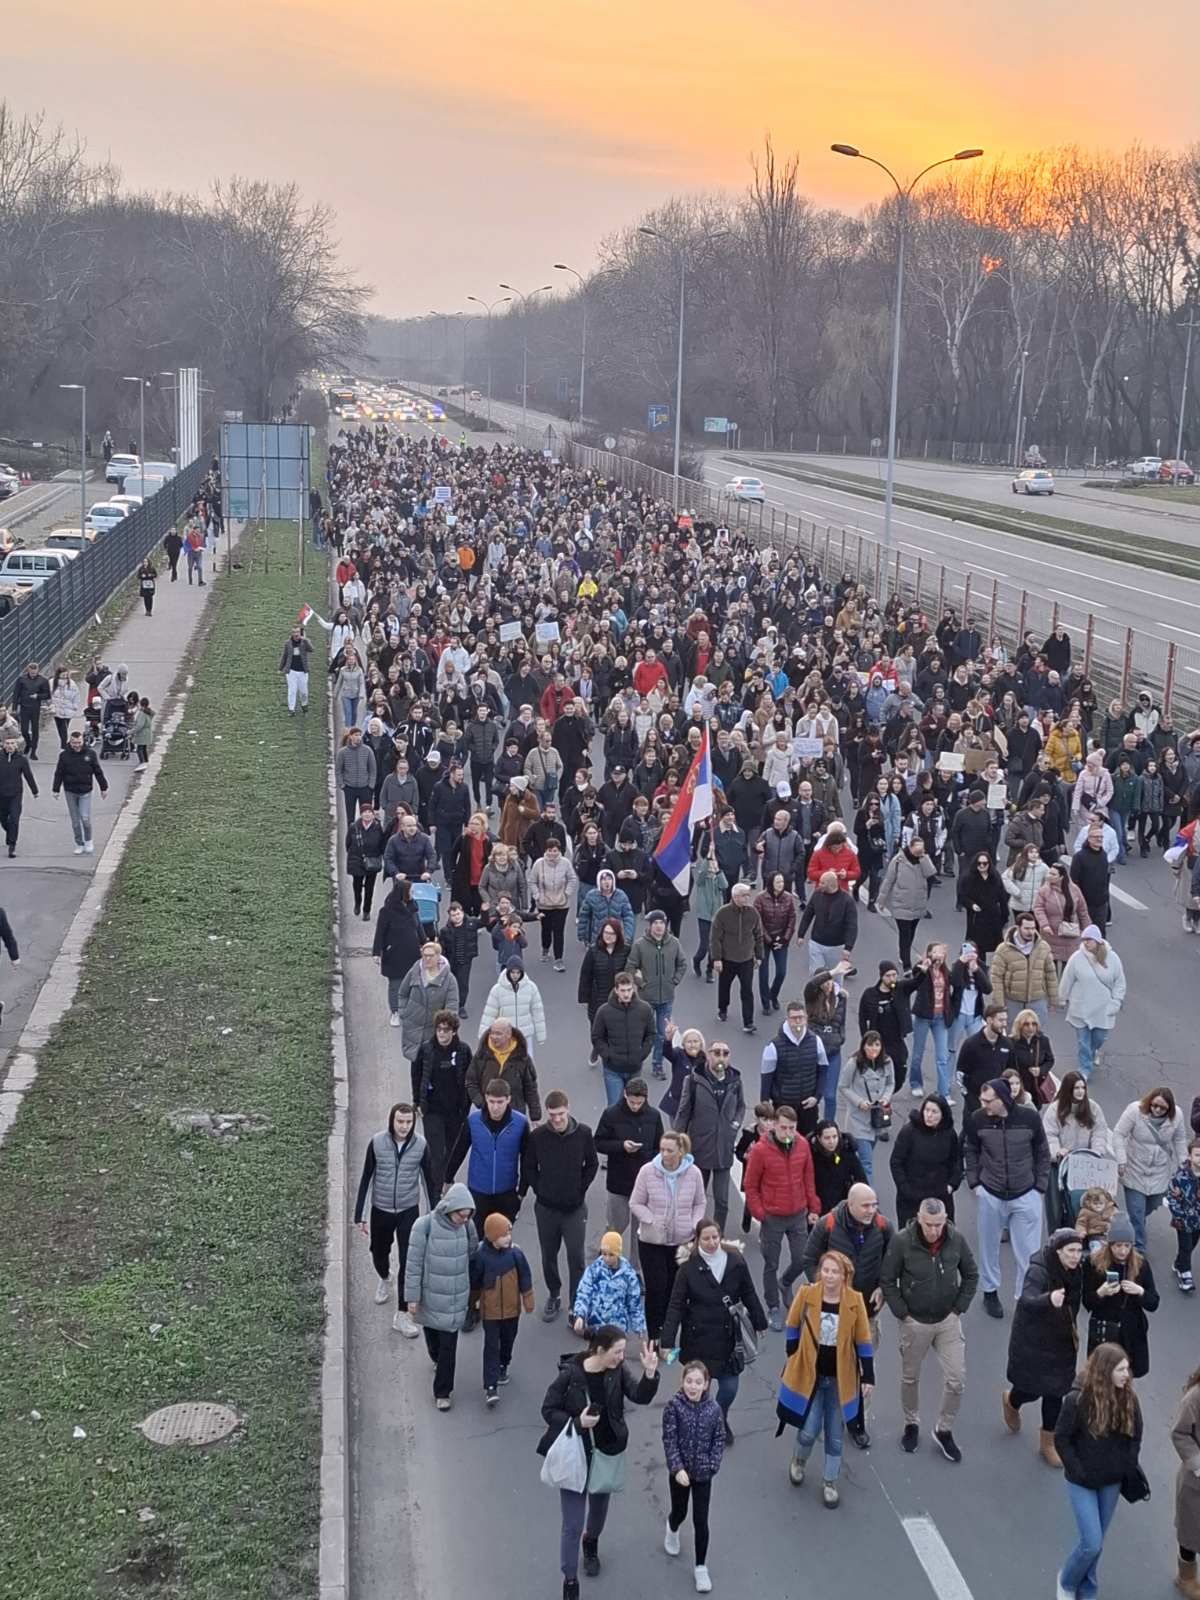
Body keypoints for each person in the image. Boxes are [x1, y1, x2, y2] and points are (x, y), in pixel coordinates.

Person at [536, 1325, 659, 1599]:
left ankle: (591, 1541)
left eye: (622, 1352)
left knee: (599, 1513)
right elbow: (548, 1409)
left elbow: (639, 1395)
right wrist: (577, 1422)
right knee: (571, 1524)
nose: (620, 1357)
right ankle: (569, 1580)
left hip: (605, 1453)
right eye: (617, 1352)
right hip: (575, 1456)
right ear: (599, 1350)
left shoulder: (616, 1372)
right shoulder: (570, 1374)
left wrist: (650, 1373)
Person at [881, 1197, 978, 1461]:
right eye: (929, 1224)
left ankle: (944, 1430)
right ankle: (911, 1423)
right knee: (910, 1378)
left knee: (956, 1379)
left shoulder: (955, 1239)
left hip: (948, 1319)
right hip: (916, 1322)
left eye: (939, 1224)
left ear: (945, 1219)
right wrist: (902, 1313)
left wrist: (959, 1308)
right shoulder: (902, 1241)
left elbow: (971, 1274)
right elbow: (888, 1278)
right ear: (919, 1219)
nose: (934, 1230)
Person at [777, 1248, 874, 1508]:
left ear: (845, 1275)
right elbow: (792, 1323)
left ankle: (829, 1481)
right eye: (826, 1271)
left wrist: (868, 1377)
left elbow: (863, 1340)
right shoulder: (807, 1294)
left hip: (840, 1380)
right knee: (808, 1431)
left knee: (835, 1434)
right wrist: (793, 1354)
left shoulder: (855, 1300)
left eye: (835, 1272)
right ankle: (799, 1460)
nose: (830, 1276)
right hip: (812, 1377)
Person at [800, 1182, 893, 1449]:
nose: (871, 1210)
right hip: (831, 1314)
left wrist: (883, 1288)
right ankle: (815, 1412)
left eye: (874, 1204)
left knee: (863, 1369)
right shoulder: (828, 1225)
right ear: (850, 1205)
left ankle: (857, 1424)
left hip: (866, 1313)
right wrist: (824, 1291)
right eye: (865, 1205)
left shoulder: (883, 1227)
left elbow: (891, 1260)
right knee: (827, 1365)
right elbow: (808, 1259)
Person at [660, 1218, 768, 1442]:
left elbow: (748, 1292)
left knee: (729, 1387)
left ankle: (717, 1418)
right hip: (698, 1339)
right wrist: (667, 1340)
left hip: (728, 1338)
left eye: (715, 1237)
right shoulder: (688, 1269)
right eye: (706, 1238)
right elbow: (676, 1305)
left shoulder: (735, 1262)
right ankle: (704, 1426)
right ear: (697, 1240)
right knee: (699, 1390)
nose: (711, 1242)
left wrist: (760, 1321)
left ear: (720, 1237)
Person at [1054, 1344, 1144, 1598]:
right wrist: (1078, 1470)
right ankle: (1067, 1582)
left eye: (1127, 1368)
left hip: (1111, 1482)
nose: (1127, 1375)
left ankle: (1088, 1590)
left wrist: (1127, 1464)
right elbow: (1062, 1438)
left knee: (1096, 1544)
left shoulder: (1129, 1398)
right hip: (1082, 1482)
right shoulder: (1078, 1400)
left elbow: (1136, 1435)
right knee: (1091, 1542)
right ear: (1106, 1371)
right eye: (1121, 1369)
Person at [965, 1075, 1050, 1318]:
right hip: (991, 1192)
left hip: (1026, 1193)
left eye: (987, 1100)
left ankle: (1025, 1297)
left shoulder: (1029, 1118)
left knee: (1029, 1252)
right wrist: (975, 1183)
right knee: (988, 1246)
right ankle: (990, 1292)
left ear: (1002, 1099)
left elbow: (1042, 1152)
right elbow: (971, 1150)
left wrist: (1039, 1187)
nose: (983, 1104)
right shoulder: (978, 1119)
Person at [1002, 1227, 1085, 1465]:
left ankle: (1048, 1442)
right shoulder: (1039, 1270)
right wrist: (1048, 1299)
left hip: (1062, 1338)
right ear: (1058, 1251)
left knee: (1057, 1391)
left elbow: (1078, 1299)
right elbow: (1026, 1299)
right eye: (1070, 1250)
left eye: (1079, 1250)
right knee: (1031, 1389)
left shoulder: (1076, 1270)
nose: (1075, 1256)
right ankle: (1012, 1401)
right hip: (1034, 1340)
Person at [353, 1102, 432, 1335]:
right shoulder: (377, 1142)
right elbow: (366, 1178)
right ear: (392, 1120)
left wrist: (433, 1216)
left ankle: (402, 1315)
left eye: (408, 1122)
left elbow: (429, 1182)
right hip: (381, 1209)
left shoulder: (421, 1145)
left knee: (408, 1262)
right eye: (400, 1121)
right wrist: (361, 1215)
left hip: (409, 1210)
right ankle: (384, 1276)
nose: (404, 1126)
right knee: (378, 1253)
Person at [522, 1089, 598, 1321]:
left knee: (576, 1256)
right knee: (549, 1255)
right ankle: (554, 1294)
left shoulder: (584, 1133)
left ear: (568, 1110)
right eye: (552, 1115)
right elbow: (528, 1167)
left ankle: (577, 1303)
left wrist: (580, 1189)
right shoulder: (538, 1137)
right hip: (546, 1208)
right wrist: (540, 1189)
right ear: (547, 1113)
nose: (556, 1119)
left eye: (561, 1114)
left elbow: (592, 1164)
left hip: (574, 1209)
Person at [744, 1102, 821, 1330]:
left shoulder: (803, 1145)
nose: (788, 1133)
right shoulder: (760, 1150)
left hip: (797, 1213)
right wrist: (760, 1213)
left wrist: (813, 1207)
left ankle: (785, 1282)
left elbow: (808, 1177)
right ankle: (773, 1307)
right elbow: (751, 1185)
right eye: (784, 1128)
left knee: (802, 1259)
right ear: (775, 1126)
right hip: (773, 1217)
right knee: (771, 1262)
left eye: (792, 1128)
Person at [402, 1183, 477, 1410]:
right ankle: (434, 1358)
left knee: (449, 1347)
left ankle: (443, 1391)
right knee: (433, 1337)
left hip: (455, 1298)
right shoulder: (423, 1226)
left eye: (467, 1216)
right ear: (449, 1208)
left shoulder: (468, 1227)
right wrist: (412, 1298)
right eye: (460, 1215)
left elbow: (473, 1253)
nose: (463, 1219)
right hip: (430, 1297)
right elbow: (413, 1265)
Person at [629, 1130, 707, 1342]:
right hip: (652, 1242)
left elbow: (700, 1202)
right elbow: (635, 1202)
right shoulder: (647, 1171)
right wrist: (651, 1219)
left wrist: (694, 1224)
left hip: (682, 1243)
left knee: (676, 1291)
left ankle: (669, 1336)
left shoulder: (694, 1174)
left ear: (681, 1151)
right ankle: (654, 1336)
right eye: (662, 1149)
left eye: (669, 1150)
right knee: (656, 1289)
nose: (664, 1154)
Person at [661, 1359, 725, 1594]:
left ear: (706, 1384)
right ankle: (672, 1527)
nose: (693, 1386)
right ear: (682, 1382)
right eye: (689, 1381)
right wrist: (677, 1468)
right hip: (681, 1474)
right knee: (680, 1511)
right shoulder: (673, 1407)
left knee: (701, 1520)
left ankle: (700, 1567)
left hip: (703, 1474)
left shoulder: (714, 1409)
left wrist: (713, 1465)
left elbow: (719, 1438)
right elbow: (669, 1439)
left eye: (698, 1382)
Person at [445, 1077, 530, 1238]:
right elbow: (459, 1150)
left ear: (508, 1099)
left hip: (507, 1193)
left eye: (500, 1102)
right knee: (476, 1240)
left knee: (502, 1241)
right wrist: (447, 1179)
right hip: (478, 1192)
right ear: (485, 1098)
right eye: (491, 1102)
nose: (495, 1107)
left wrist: (522, 1192)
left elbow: (527, 1159)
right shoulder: (473, 1121)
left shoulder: (520, 1123)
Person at [674, 1040, 745, 1230]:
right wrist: (675, 1141)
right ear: (709, 1055)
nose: (721, 1057)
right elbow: (684, 1111)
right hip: (700, 1147)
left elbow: (741, 1106)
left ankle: (716, 1236)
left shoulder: (735, 1081)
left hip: (723, 1148)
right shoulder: (694, 1080)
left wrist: (735, 1125)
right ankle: (693, 1232)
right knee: (697, 1198)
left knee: (722, 1201)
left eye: (725, 1053)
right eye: (717, 1052)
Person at [470, 1211, 535, 1404]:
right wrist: (471, 1302)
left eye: (509, 1234)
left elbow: (525, 1276)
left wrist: (527, 1298)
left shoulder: (516, 1254)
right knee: (491, 1346)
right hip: (490, 1312)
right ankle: (490, 1386)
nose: (508, 1238)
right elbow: (475, 1280)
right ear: (492, 1237)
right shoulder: (481, 1256)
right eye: (503, 1235)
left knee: (508, 1339)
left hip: (511, 1310)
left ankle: (503, 1364)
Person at [1114, 1087, 1188, 1252]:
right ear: (1149, 1102)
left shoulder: (1177, 1116)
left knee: (1154, 1203)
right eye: (1155, 1105)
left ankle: (1133, 1220)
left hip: (1159, 1171)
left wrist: (1184, 1167)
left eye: (1163, 1108)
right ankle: (1139, 1250)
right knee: (1137, 1213)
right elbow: (1119, 1134)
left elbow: (1180, 1140)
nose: (1157, 1110)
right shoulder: (1135, 1111)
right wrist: (1121, 1160)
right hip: (1134, 1168)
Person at [1082, 1212, 1158, 1374]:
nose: (1122, 1251)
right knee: (1102, 1376)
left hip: (1132, 1331)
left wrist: (1140, 1291)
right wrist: (1101, 1293)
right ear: (1109, 1245)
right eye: (1118, 1246)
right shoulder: (1094, 1264)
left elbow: (1153, 1303)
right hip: (1105, 1329)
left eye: (1127, 1246)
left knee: (1126, 1376)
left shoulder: (1141, 1265)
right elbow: (1087, 1301)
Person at [412, 1010, 472, 1192]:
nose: (442, 1034)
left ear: (454, 1031)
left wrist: (466, 1105)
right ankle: (436, 1193)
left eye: (446, 1030)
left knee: (452, 1150)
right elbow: (416, 1075)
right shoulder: (426, 1050)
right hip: (432, 1110)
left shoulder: (463, 1050)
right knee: (436, 1153)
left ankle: (447, 1179)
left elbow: (470, 1079)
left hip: (455, 1111)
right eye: (439, 1030)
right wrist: (417, 1101)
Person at [624, 908, 688, 1078]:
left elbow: (682, 964)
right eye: (656, 923)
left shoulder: (674, 943)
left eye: (662, 923)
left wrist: (674, 981)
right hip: (645, 998)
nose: (659, 926)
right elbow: (630, 967)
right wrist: (641, 983)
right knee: (641, 1032)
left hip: (666, 997)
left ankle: (657, 1065)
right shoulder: (640, 945)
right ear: (650, 925)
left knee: (661, 1034)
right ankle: (635, 1063)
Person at [1043, 1071, 1113, 1224]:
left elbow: (1099, 1131)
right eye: (1076, 1088)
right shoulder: (1055, 1109)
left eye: (1083, 1088)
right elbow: (1049, 1135)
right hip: (1061, 1162)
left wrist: (1097, 1151)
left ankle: (1089, 1228)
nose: (1080, 1091)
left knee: (1089, 1198)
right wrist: (1057, 1151)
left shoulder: (1093, 1107)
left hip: (1085, 1162)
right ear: (1068, 1089)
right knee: (1057, 1202)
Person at [1060, 927, 1126, 1078]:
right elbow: (1067, 978)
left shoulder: (1112, 958)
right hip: (1081, 1007)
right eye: (1084, 940)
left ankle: (1093, 1051)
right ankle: (1085, 1068)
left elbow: (1120, 982)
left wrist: (1116, 1001)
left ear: (1097, 941)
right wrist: (1062, 998)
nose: (1086, 943)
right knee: (1083, 1041)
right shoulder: (1077, 958)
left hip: (1103, 1009)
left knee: (1099, 1037)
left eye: (1089, 940)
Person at [889, 1094, 962, 1226]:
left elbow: (955, 1161)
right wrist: (904, 1188)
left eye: (934, 1112)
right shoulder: (909, 1131)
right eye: (926, 1110)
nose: (929, 1115)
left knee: (942, 1237)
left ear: (943, 1114)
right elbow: (896, 1161)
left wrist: (952, 1185)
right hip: (912, 1196)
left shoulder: (949, 1133)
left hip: (941, 1194)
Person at [759, 999, 827, 1136]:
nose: (797, 1022)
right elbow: (766, 1078)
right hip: (784, 1108)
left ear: (806, 1019)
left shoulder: (816, 1042)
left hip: (808, 1107)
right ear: (787, 1020)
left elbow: (823, 1070)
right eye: (794, 1018)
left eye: (800, 1018)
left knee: (808, 1146)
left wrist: (816, 1097)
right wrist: (765, 1109)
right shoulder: (773, 1047)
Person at [591, 971, 656, 1107]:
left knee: (635, 1107)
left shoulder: (644, 1009)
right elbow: (597, 1037)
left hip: (635, 1068)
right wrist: (608, 1056)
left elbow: (651, 1034)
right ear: (616, 990)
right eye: (622, 990)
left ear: (633, 989)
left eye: (629, 990)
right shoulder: (604, 1011)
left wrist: (642, 1054)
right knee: (614, 1107)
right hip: (613, 1069)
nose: (626, 994)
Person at [710, 880, 764, 1036]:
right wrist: (717, 959)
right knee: (724, 986)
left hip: (746, 959)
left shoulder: (753, 913)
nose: (747, 898)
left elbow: (758, 935)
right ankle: (723, 1009)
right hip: (728, 958)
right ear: (734, 897)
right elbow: (715, 938)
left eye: (748, 895)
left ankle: (748, 1022)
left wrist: (759, 955)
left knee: (747, 991)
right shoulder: (722, 913)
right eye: (743, 895)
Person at [836, 1032, 892, 1183]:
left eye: (877, 1045)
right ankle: (869, 1199)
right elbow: (843, 1086)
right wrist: (859, 1101)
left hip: (877, 1119)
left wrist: (885, 1098)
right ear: (863, 1046)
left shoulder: (887, 1062)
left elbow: (890, 1083)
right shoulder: (854, 1064)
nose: (873, 1049)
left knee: (863, 1157)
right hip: (858, 1120)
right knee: (867, 1163)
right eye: (870, 1045)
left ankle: (851, 1178)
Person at [857, 959, 920, 1093]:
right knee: (878, 1074)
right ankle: (880, 1098)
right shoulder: (870, 994)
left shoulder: (900, 989)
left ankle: (889, 1092)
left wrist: (924, 970)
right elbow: (862, 1018)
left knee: (900, 1070)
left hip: (897, 1040)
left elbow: (915, 983)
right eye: (888, 976)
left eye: (894, 975)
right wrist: (866, 1040)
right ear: (881, 976)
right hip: (879, 1042)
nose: (892, 979)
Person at [990, 910, 1059, 1029]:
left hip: (1037, 1000)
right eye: (1027, 928)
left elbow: (1050, 974)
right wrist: (999, 1005)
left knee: (1036, 1036)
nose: (1031, 932)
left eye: (1033, 928)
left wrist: (1053, 999)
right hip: (1013, 1002)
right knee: (1013, 1037)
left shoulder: (1043, 947)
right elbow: (996, 977)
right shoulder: (1003, 949)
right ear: (1018, 927)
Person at [571, 1231, 647, 1339]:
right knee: (596, 1353)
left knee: (616, 1355)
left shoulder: (628, 1275)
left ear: (618, 1254)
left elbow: (634, 1303)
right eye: (604, 1254)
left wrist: (639, 1327)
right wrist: (580, 1315)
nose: (607, 1258)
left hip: (618, 1329)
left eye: (611, 1255)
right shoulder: (594, 1270)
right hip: (596, 1326)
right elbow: (584, 1292)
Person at [876, 835, 936, 968]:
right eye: (917, 849)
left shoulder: (923, 860)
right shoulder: (898, 860)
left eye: (921, 849)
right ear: (910, 847)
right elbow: (888, 880)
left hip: (917, 904)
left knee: (911, 933)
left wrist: (923, 857)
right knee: (905, 934)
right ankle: (907, 964)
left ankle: (903, 953)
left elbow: (931, 873)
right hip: (901, 903)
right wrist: (881, 899)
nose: (919, 851)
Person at [396, 941, 460, 1062]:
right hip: (412, 1028)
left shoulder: (449, 980)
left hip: (433, 1031)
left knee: (431, 1069)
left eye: (431, 955)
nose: (427, 958)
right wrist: (404, 1013)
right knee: (415, 1066)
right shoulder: (414, 972)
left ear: (438, 956)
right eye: (425, 955)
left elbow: (452, 1008)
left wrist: (444, 1028)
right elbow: (402, 993)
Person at [466, 1019, 541, 1119]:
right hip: (487, 1115)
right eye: (492, 1033)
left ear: (509, 1034)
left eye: (498, 1034)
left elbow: (530, 1088)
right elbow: (471, 1082)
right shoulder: (481, 1056)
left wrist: (535, 1116)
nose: (493, 1037)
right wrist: (482, 1104)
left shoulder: (522, 1058)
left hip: (514, 1115)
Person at [49, 727, 105, 856]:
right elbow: (59, 773)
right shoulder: (64, 755)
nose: (77, 745)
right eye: (74, 743)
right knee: (75, 821)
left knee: (85, 818)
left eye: (79, 742)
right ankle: (79, 843)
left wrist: (103, 787)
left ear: (82, 741)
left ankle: (88, 840)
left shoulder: (90, 754)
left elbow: (97, 771)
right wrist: (55, 789)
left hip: (85, 791)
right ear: (70, 742)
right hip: (70, 790)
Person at [1170, 1367, 1200, 1600]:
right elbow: (1180, 1433)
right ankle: (1186, 1577)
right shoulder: (1195, 1398)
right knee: (1190, 1533)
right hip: (1195, 1484)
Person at [797, 868, 858, 977]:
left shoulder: (847, 901)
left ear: (831, 884)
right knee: (817, 976)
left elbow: (852, 926)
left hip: (836, 946)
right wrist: (801, 934)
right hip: (816, 942)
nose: (819, 885)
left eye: (822, 883)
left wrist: (848, 947)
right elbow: (808, 915)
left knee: (835, 978)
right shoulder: (817, 894)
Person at [530, 837, 577, 970]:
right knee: (546, 928)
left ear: (559, 851)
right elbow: (532, 881)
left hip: (561, 903)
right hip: (544, 903)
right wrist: (537, 895)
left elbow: (572, 878)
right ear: (546, 851)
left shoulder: (565, 863)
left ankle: (558, 959)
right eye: (550, 851)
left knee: (558, 930)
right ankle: (545, 948)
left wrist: (567, 893)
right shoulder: (539, 864)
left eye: (555, 851)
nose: (552, 853)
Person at [478, 958, 546, 1043]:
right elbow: (489, 1015)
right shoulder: (497, 990)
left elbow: (538, 1012)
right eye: (513, 972)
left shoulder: (531, 988)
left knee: (526, 1056)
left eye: (518, 972)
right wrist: (483, 1037)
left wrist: (541, 1036)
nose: (515, 975)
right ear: (508, 972)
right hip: (506, 1035)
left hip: (525, 1035)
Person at [809, 1119, 868, 1215]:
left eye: (834, 1137)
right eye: (827, 1138)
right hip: (819, 1206)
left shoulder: (847, 1152)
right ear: (819, 1138)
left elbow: (861, 1179)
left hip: (842, 1206)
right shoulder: (811, 1155)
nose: (831, 1141)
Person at [961, 850, 1009, 960]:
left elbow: (1002, 896)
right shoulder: (968, 877)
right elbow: (963, 896)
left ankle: (996, 970)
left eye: (985, 863)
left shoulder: (995, 876)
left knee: (998, 947)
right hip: (976, 916)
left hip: (993, 916)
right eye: (979, 863)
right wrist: (972, 905)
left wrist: (1004, 916)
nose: (982, 866)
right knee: (974, 945)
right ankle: (973, 969)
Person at [1167, 1138, 1200, 1293]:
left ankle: (1179, 1263)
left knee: (1192, 1244)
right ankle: (1185, 1275)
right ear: (1190, 1156)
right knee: (1186, 1246)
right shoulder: (1181, 1176)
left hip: (1198, 1221)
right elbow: (1172, 1197)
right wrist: (1179, 1215)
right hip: (1184, 1220)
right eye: (1198, 1155)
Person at [345, 802, 385, 921]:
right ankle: (358, 902)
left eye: (369, 812)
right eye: (364, 812)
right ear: (361, 814)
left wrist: (379, 855)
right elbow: (348, 844)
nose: (367, 815)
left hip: (372, 860)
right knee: (357, 885)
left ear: (373, 815)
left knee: (369, 887)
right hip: (357, 860)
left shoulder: (378, 827)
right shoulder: (354, 827)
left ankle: (366, 910)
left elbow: (381, 843)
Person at [1010, 1007, 1056, 1106]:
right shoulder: (1011, 1042)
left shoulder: (1043, 1040)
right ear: (1019, 1026)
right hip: (1017, 1087)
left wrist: (1041, 1070)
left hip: (1036, 1087)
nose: (1031, 1027)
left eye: (1034, 1024)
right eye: (1026, 1024)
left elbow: (1050, 1060)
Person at [11, 661, 49, 759]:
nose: (33, 674)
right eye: (31, 672)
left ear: (38, 671)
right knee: (24, 730)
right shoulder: (21, 679)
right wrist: (14, 708)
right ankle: (28, 743)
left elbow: (47, 694)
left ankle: (33, 751)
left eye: (35, 673)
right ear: (28, 670)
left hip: (35, 708)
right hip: (24, 707)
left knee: (35, 730)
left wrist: (38, 696)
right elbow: (16, 694)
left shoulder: (43, 680)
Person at [49, 667, 82, 748]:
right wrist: (50, 704)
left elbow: (76, 695)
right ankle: (63, 743)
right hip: (57, 708)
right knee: (61, 726)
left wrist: (75, 705)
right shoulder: (52, 682)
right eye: (63, 674)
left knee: (64, 726)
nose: (65, 676)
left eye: (66, 674)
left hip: (68, 708)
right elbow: (48, 694)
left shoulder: (71, 683)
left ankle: (64, 743)